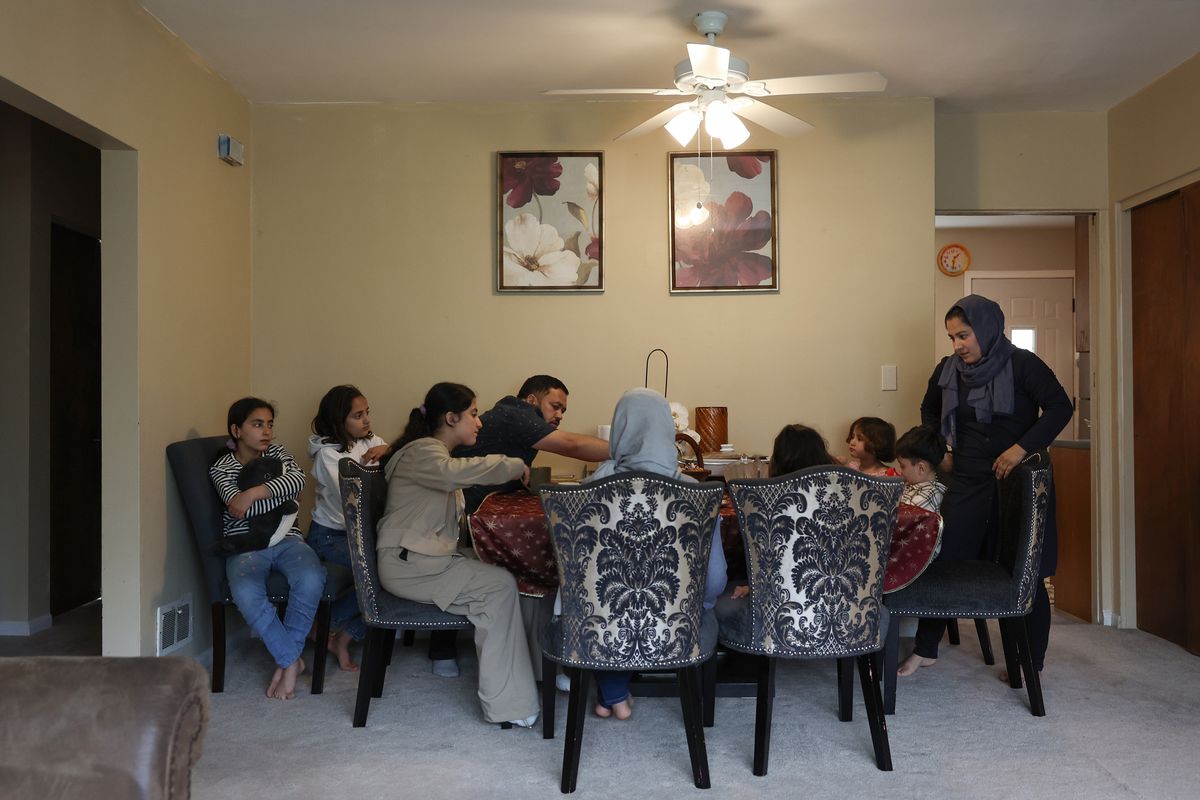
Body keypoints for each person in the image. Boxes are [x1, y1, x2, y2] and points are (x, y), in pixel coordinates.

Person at [898, 294, 1071, 678]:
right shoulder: (947, 369)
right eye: (952, 337)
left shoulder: (1024, 363)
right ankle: (927, 649)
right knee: (944, 559)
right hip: (968, 478)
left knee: (1026, 572)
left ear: (987, 329)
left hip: (1019, 482)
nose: (958, 345)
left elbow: (1061, 407)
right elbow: (928, 408)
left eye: (964, 336)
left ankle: (1030, 663)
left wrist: (1020, 448)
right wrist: (941, 447)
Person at [376, 382, 540, 727]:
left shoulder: (430, 453)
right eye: (474, 415)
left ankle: (535, 675)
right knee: (499, 587)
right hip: (410, 565)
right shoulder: (424, 452)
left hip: (420, 559)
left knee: (510, 567)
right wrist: (512, 465)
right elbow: (457, 474)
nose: (479, 423)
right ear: (451, 418)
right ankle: (509, 706)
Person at [435, 375, 609, 676]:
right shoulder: (514, 413)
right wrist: (633, 448)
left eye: (563, 411)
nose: (559, 415)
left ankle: (534, 646)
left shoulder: (516, 418)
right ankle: (443, 648)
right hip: (463, 509)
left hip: (479, 503)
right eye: (555, 406)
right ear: (531, 400)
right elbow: (571, 444)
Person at [581, 388, 728, 720]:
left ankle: (613, 692)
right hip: (674, 626)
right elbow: (715, 579)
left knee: (607, 606)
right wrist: (698, 607)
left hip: (603, 627)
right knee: (701, 606)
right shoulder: (696, 492)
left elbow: (580, 576)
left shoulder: (591, 487)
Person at [210, 397, 327, 700]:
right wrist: (286, 498)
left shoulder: (277, 453)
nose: (266, 432)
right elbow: (240, 509)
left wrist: (254, 492)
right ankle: (291, 660)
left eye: (270, 425)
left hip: (287, 537)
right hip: (245, 544)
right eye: (257, 424)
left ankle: (286, 660)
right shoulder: (222, 467)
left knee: (312, 577)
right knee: (246, 592)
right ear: (237, 430)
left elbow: (298, 479)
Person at [306, 384, 390, 672]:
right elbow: (355, 498)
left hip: (365, 533)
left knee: (394, 571)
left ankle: (344, 636)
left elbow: (397, 476)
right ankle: (323, 626)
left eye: (367, 413)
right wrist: (379, 469)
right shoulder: (327, 456)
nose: (366, 420)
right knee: (377, 572)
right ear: (338, 420)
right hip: (330, 536)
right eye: (357, 415)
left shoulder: (372, 441)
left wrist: (389, 451)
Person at [729, 424, 839, 600]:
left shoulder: (768, 507)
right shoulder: (840, 503)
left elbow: (771, 564)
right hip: (837, 600)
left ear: (778, 462)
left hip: (783, 603)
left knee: (723, 604)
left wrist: (753, 587)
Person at [894, 425, 948, 513]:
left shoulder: (929, 496)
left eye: (903, 466)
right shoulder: (912, 485)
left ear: (921, 468)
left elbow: (900, 520)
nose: (901, 472)